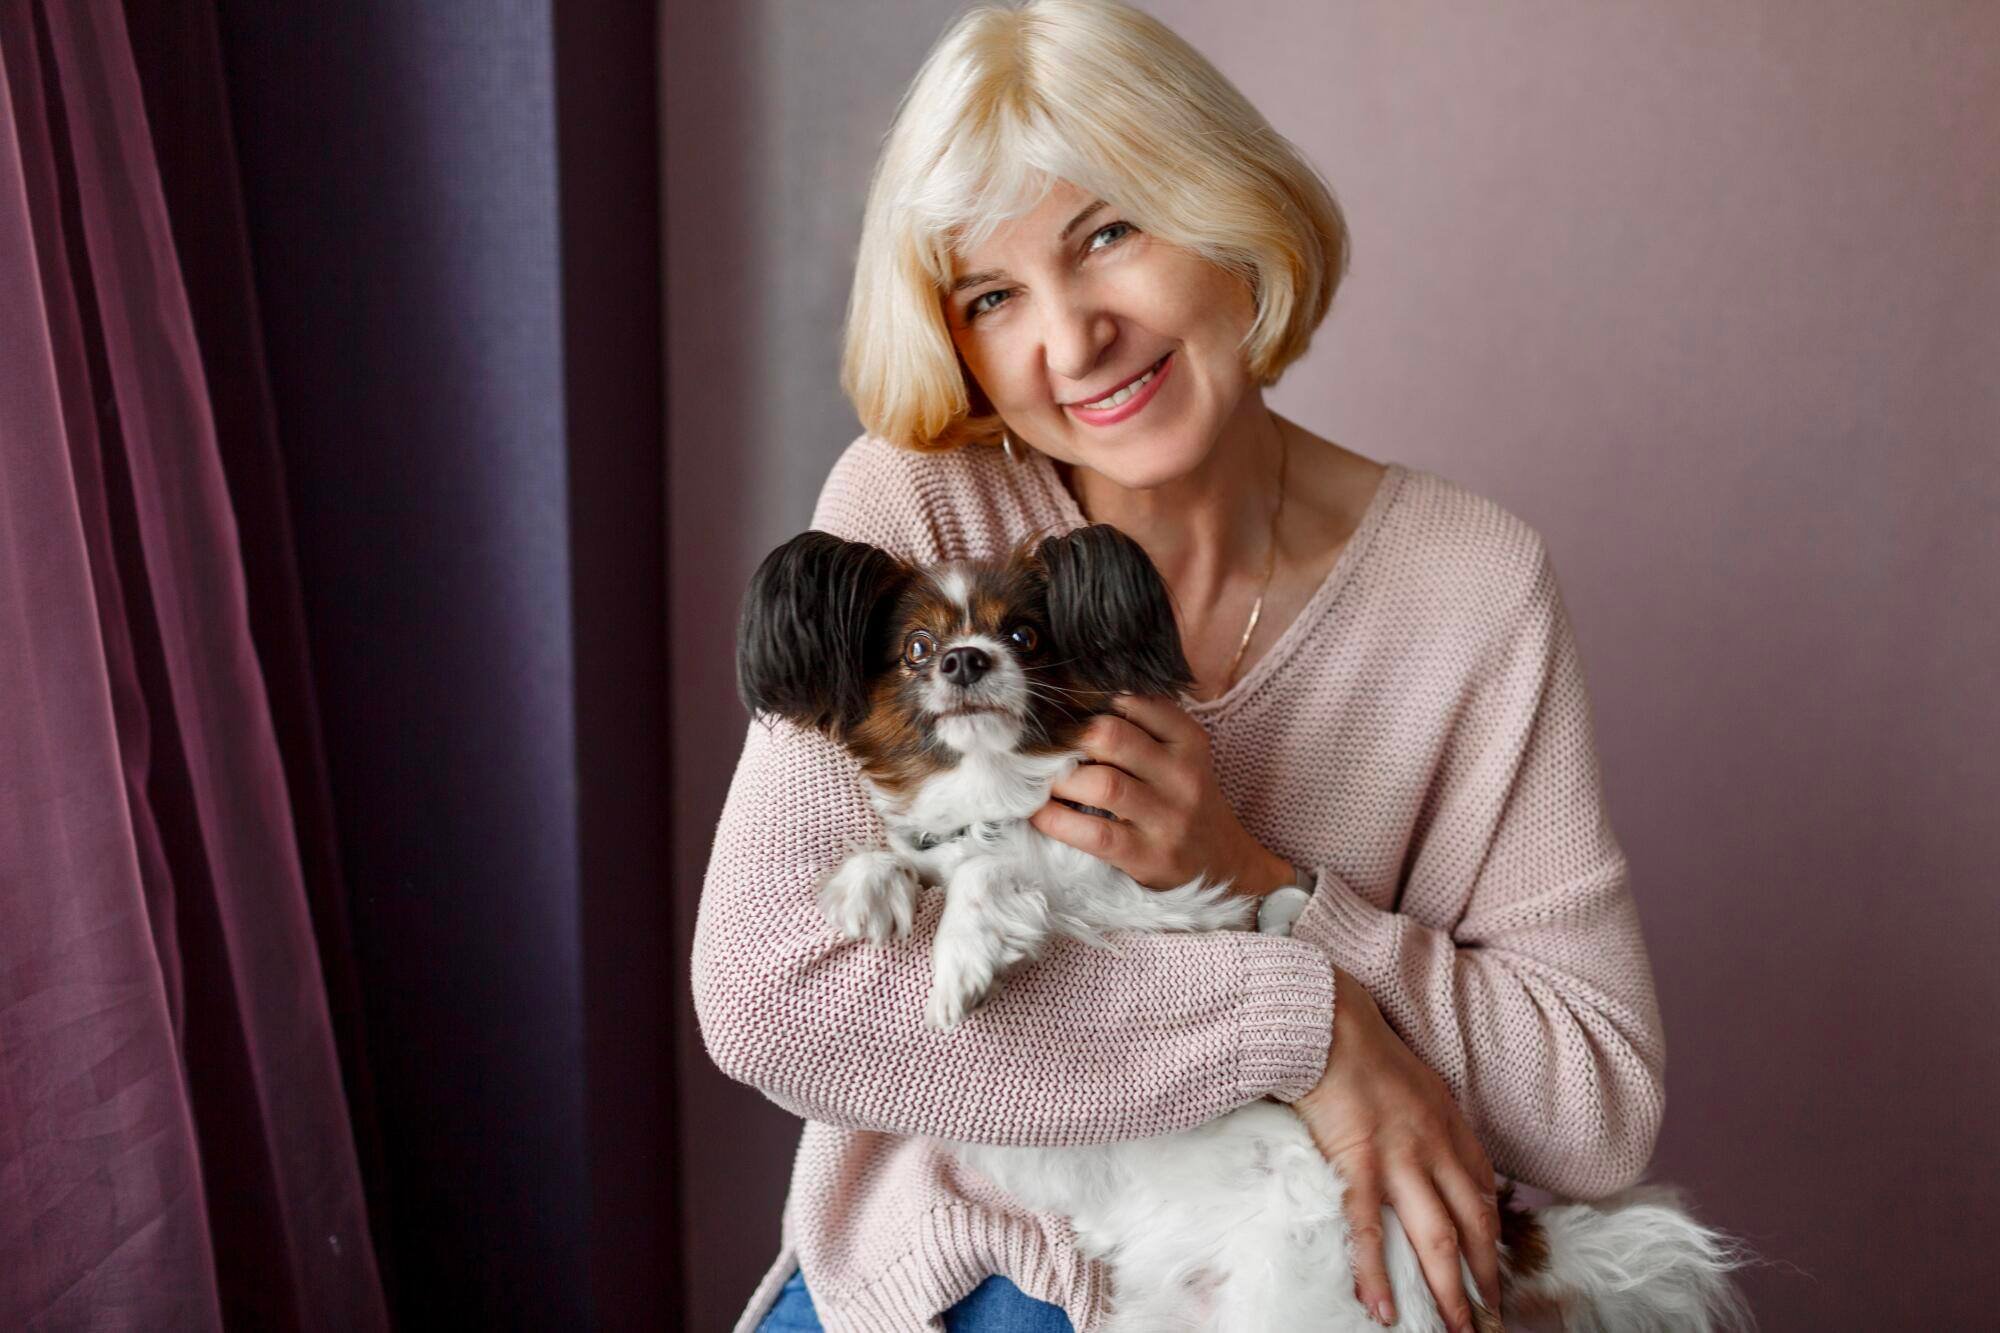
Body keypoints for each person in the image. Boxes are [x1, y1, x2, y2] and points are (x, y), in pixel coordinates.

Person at [692, 3, 1665, 1331]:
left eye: (1108, 233)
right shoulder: (919, 511)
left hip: (1278, 1270)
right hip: (963, 1274)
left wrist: (1266, 887)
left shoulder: (1471, 587)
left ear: (1225, 210)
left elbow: (1595, 1106)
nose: (1072, 339)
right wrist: (1311, 1031)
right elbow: (773, 994)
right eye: (992, 296)